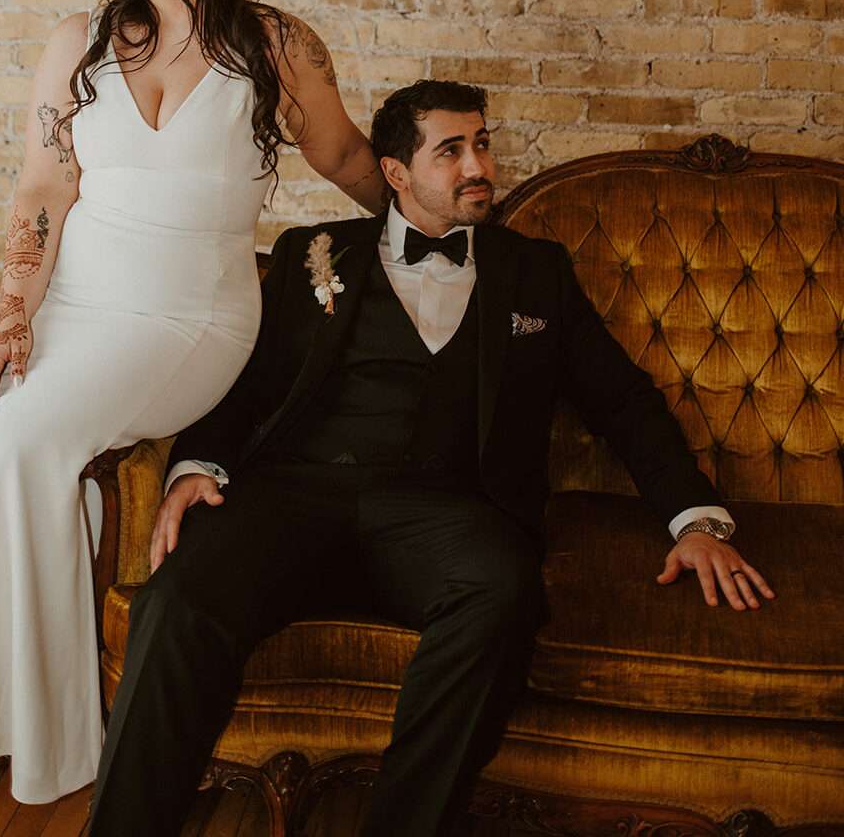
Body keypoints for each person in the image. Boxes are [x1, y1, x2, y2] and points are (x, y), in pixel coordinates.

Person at [88, 79, 775, 836]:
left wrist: (694, 520)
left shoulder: (534, 271)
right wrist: (195, 469)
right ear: (395, 173)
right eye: (451, 151)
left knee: (502, 590)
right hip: (296, 497)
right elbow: (244, 384)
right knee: (177, 600)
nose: (478, 164)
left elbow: (624, 402)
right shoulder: (312, 254)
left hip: (450, 514)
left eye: (481, 143)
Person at [0, 0, 385, 804]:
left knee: (17, 441)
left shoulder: (274, 47)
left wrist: (423, 217)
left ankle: (57, 731)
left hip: (190, 318)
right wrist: (13, 316)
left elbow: (345, 151)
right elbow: (44, 186)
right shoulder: (82, 42)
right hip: (79, 303)